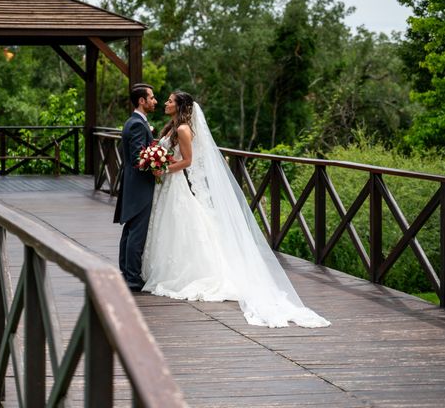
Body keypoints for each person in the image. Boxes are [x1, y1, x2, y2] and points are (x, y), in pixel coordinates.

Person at [141, 91, 330, 328]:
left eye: (170, 101)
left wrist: (165, 169)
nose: (166, 103)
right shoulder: (172, 127)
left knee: (181, 224)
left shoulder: (183, 130)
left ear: (180, 106)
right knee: (169, 225)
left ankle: (186, 272)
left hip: (176, 181)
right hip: (169, 184)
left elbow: (188, 161)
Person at [114, 84, 159, 292]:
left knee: (130, 230)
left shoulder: (135, 122)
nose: (154, 101)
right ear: (142, 101)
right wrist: (159, 163)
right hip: (139, 186)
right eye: (151, 97)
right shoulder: (137, 125)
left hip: (134, 185)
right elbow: (137, 158)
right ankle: (132, 278)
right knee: (137, 233)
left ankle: (126, 273)